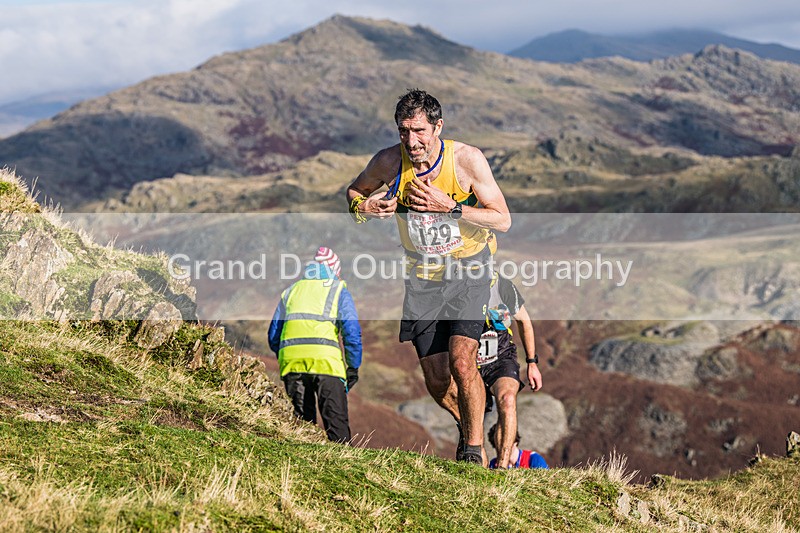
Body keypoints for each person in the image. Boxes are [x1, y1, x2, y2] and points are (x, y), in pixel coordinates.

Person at [345, 89, 511, 464]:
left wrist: (451, 207)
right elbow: (353, 193)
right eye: (404, 131)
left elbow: (502, 219)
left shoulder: (467, 160)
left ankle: (473, 451)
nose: (411, 140)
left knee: (463, 360)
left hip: (470, 270)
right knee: (437, 380)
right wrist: (364, 207)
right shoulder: (389, 161)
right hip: (422, 278)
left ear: (438, 127)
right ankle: (468, 420)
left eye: (419, 130)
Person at [268, 246, 362, 443]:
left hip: (291, 361)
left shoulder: (291, 291)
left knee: (302, 428)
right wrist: (353, 366)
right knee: (336, 425)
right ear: (335, 271)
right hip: (326, 363)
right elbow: (351, 332)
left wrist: (286, 355)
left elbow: (273, 335)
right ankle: (344, 467)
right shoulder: (338, 290)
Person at [478, 272, 543, 469]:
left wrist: (532, 363)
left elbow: (524, 322)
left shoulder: (502, 286)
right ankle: (478, 467)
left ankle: (502, 467)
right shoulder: (454, 284)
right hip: (469, 363)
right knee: (472, 416)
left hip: (502, 356)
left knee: (507, 400)